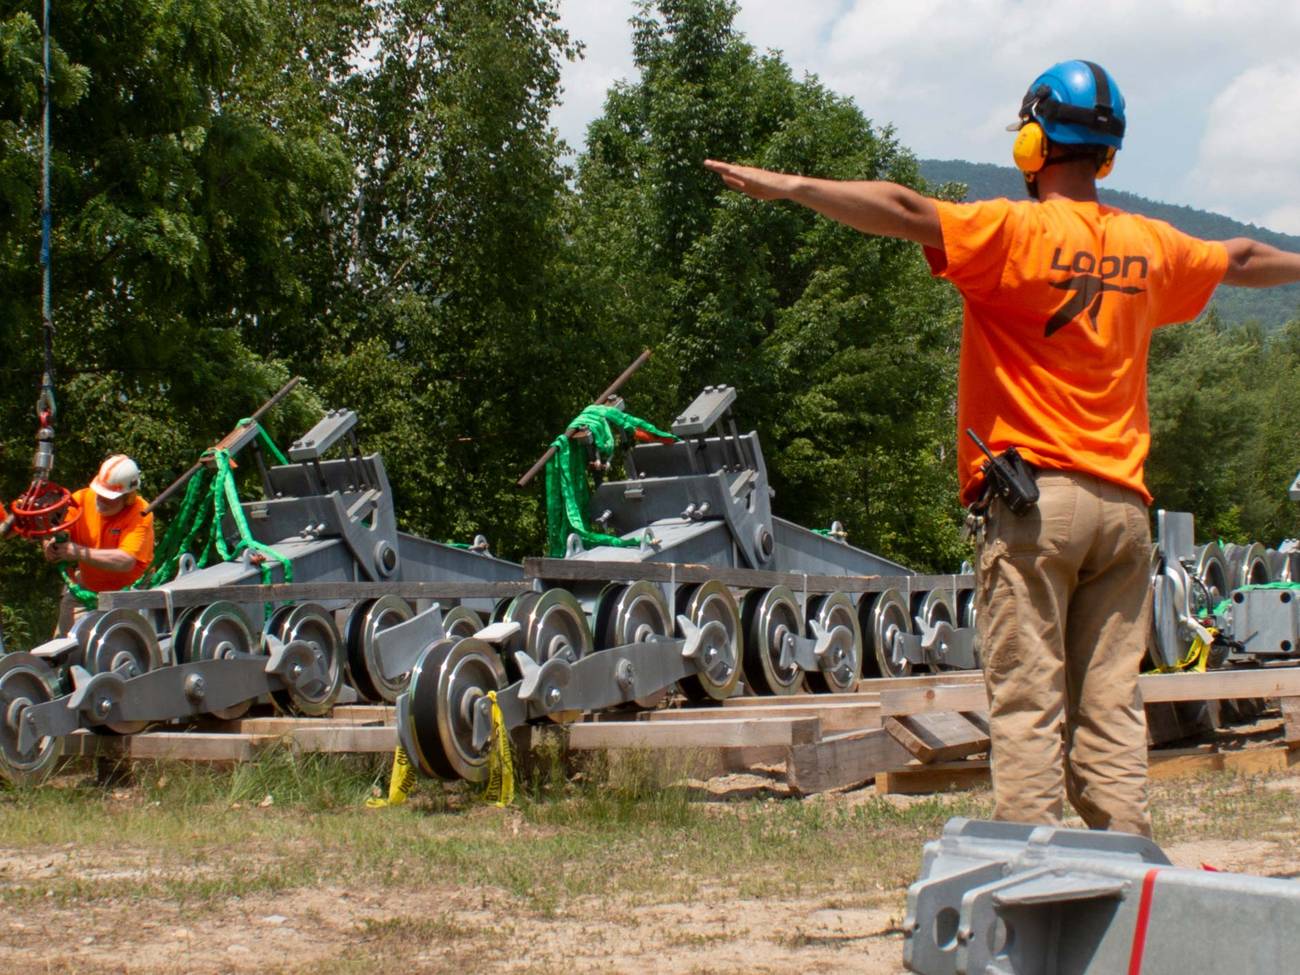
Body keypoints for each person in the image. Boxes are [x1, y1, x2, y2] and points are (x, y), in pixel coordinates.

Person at [705, 59, 1300, 837]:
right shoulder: (1149, 246)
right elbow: (1244, 258)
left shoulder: (1011, 231)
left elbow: (902, 208)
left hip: (1035, 510)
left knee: (1028, 701)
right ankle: (1127, 875)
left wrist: (790, 186)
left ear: (1032, 144)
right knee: (1110, 704)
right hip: (1123, 513)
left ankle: (1033, 876)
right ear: (1108, 154)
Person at [43, 454, 154, 635]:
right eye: (100, 493)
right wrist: (51, 545)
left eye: (109, 497)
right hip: (88, 590)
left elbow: (125, 561)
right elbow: (58, 531)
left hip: (132, 593)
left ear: (128, 497)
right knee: (64, 647)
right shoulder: (80, 500)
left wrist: (78, 552)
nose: (101, 500)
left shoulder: (140, 512)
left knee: (126, 642)